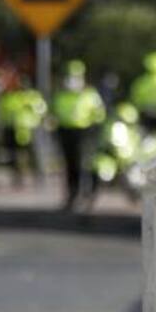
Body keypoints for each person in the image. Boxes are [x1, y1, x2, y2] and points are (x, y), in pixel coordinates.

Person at [52, 60, 106, 211]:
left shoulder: (90, 95)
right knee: (71, 166)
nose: (72, 80)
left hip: (85, 133)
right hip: (65, 132)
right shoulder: (61, 95)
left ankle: (89, 195)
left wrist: (94, 131)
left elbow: (99, 114)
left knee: (86, 165)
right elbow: (54, 113)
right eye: (69, 76)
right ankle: (72, 195)